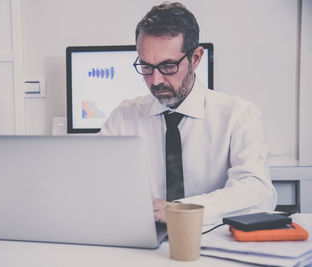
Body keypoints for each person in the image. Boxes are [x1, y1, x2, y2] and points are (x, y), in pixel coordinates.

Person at [99, 2, 277, 225]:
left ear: (196, 58)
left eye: (168, 66)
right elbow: (97, 180)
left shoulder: (239, 116)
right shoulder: (123, 117)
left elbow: (258, 192)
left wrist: (181, 211)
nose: (155, 80)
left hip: (212, 240)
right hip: (141, 240)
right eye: (146, 67)